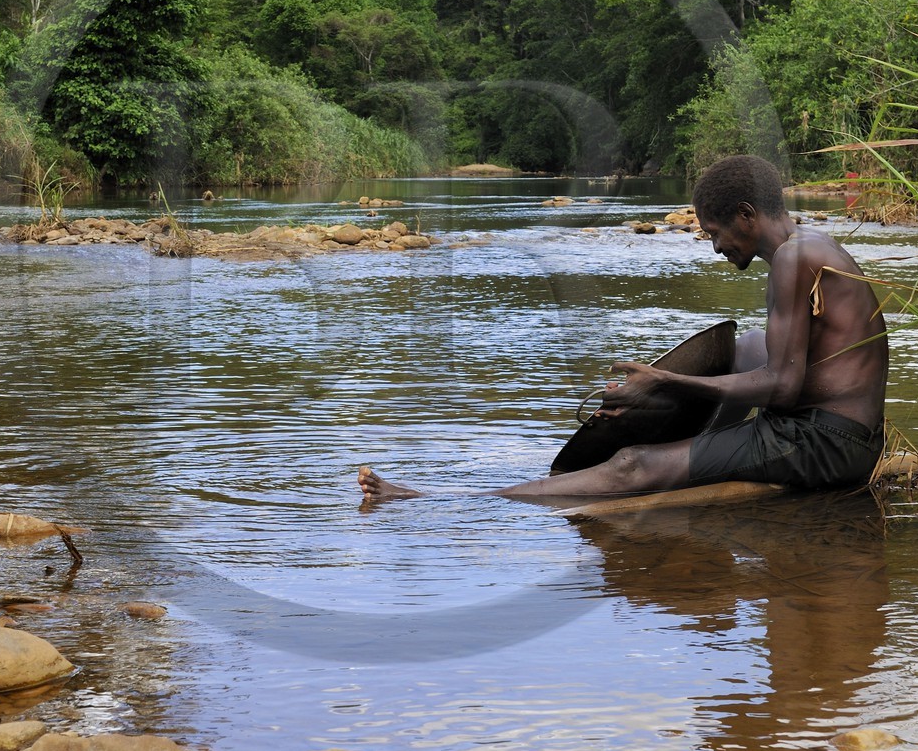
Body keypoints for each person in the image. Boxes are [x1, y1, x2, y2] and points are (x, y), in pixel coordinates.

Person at [358, 155, 888, 500]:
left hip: (830, 446)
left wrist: (663, 382)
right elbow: (777, 369)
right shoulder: (807, 245)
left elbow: (784, 386)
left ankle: (445, 501)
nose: (716, 246)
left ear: (747, 214)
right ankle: (697, 448)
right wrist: (657, 403)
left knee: (633, 464)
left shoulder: (794, 263)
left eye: (716, 232)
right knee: (747, 344)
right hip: (851, 434)